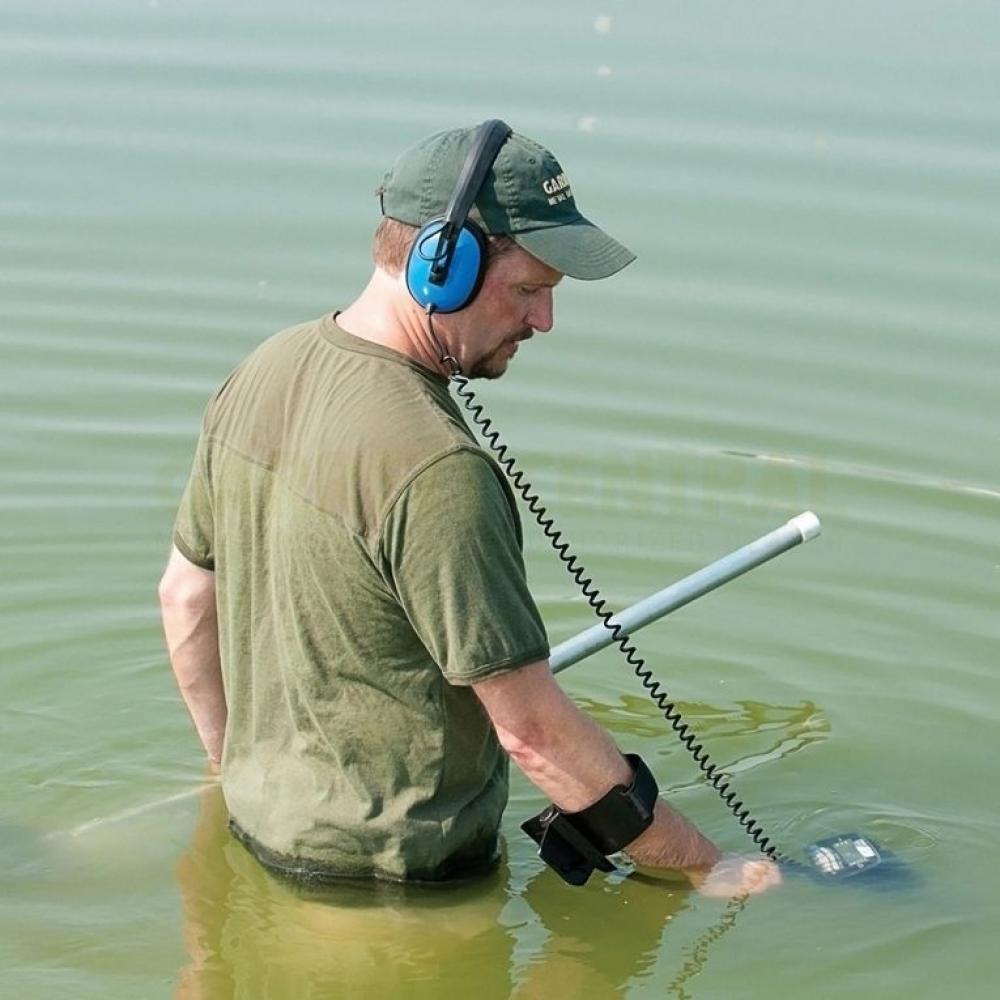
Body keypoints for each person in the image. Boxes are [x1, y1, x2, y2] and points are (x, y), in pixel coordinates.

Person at [159, 122, 780, 898]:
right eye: (529, 289)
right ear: (440, 266)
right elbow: (531, 732)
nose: (545, 321)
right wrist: (702, 864)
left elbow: (185, 602)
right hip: (400, 894)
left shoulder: (262, 369)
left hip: (259, 838)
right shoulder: (439, 470)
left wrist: (237, 775)